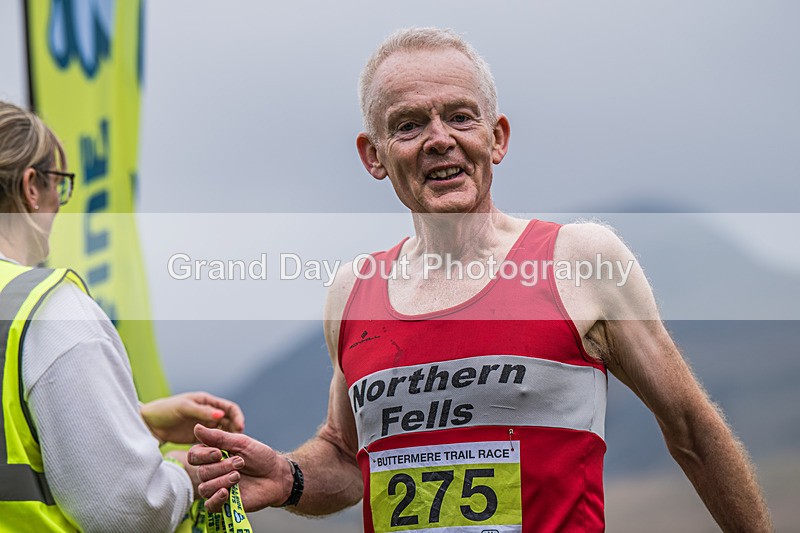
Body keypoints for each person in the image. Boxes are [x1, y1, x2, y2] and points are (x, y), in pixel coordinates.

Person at [188, 28, 773, 532]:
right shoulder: (352, 290)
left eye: (460, 116)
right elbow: (346, 459)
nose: (440, 138)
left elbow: (691, 430)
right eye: (409, 124)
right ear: (374, 155)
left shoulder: (581, 260)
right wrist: (287, 475)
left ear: (496, 138)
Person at [0, 100, 244, 532]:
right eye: (59, 182)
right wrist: (183, 475)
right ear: (31, 187)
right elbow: (125, 509)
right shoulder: (48, 310)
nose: (60, 201)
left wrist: (141, 422)